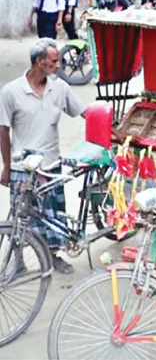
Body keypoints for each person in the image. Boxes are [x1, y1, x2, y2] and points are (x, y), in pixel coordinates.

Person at [0, 38, 87, 274]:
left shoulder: (60, 88)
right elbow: (3, 131)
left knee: (53, 215)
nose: (59, 65)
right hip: (23, 168)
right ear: (39, 62)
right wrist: (6, 166)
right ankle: (18, 262)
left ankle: (53, 256)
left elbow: (84, 112)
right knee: (20, 217)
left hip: (51, 165)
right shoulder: (11, 92)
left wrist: (110, 125)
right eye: (54, 61)